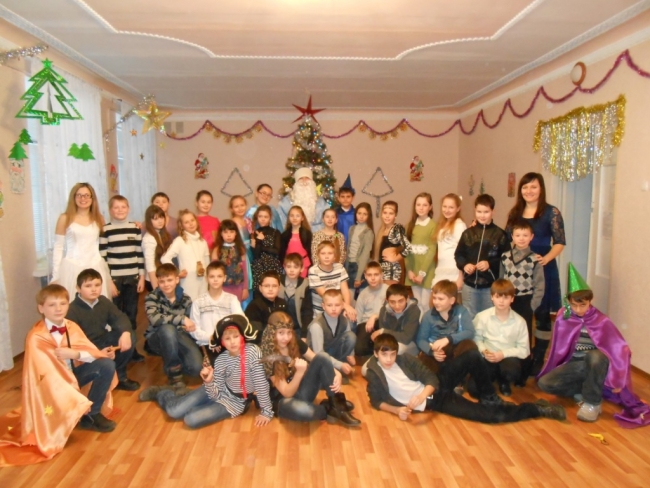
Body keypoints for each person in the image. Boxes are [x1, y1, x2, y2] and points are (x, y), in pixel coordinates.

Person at [0, 285, 119, 466]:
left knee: (106, 365)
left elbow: (86, 350)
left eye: (62, 304)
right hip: (52, 386)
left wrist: (77, 354)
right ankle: (73, 411)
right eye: (52, 305)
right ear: (41, 308)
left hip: (74, 375)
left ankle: (92, 415)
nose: (58, 309)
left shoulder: (71, 326)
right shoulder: (36, 337)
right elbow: (43, 375)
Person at [537, 264, 650, 426]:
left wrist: (618, 377)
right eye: (574, 305)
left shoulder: (601, 321)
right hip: (575, 365)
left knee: (594, 356)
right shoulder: (564, 317)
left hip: (596, 364)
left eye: (582, 305)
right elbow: (558, 347)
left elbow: (620, 349)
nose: (578, 309)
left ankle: (592, 403)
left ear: (591, 301)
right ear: (568, 301)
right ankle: (587, 387)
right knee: (545, 383)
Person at [366, 333, 565, 424]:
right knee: (491, 417)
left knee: (472, 355)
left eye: (392, 354)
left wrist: (421, 396)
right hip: (437, 402)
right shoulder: (374, 373)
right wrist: (397, 410)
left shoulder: (405, 359)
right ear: (376, 354)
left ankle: (489, 395)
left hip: (435, 386)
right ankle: (537, 408)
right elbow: (376, 401)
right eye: (384, 355)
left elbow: (430, 379)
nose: (389, 359)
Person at [148, 315, 273, 429]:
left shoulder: (253, 352)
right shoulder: (221, 360)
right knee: (174, 411)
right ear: (222, 341)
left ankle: (185, 395)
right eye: (227, 338)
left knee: (190, 419)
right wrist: (209, 382)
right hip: (216, 391)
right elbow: (215, 395)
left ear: (243, 336)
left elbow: (261, 383)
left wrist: (266, 412)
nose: (232, 342)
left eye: (236, 336)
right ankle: (162, 393)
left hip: (235, 402)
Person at [506, 173, 566, 374]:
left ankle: (538, 357)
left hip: (542, 266)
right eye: (525, 187)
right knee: (519, 311)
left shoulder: (551, 212)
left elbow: (559, 242)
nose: (529, 191)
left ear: (541, 189)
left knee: (541, 313)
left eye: (533, 187)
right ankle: (519, 354)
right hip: (518, 269)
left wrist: (546, 259)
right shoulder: (515, 213)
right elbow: (507, 239)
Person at [260, 311, 360, 425]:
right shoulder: (269, 357)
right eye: (281, 333)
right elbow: (287, 393)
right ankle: (329, 408)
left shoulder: (294, 342)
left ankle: (337, 405)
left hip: (302, 390)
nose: (286, 337)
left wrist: (337, 373)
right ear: (271, 333)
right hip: (283, 400)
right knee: (305, 411)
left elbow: (317, 358)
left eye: (289, 332)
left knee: (322, 356)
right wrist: (299, 372)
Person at [66, 269, 140, 391]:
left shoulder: (103, 301)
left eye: (97, 285)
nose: (93, 289)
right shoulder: (71, 310)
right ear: (78, 288)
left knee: (129, 336)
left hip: (102, 340)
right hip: (85, 349)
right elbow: (74, 343)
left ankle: (119, 376)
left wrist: (125, 332)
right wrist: (98, 353)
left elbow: (120, 317)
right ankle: (104, 375)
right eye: (88, 286)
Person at [99, 195, 145, 361]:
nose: (120, 210)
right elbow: (103, 258)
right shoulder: (105, 230)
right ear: (110, 210)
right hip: (115, 280)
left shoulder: (135, 228)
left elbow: (139, 254)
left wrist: (141, 277)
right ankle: (118, 349)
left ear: (128, 209)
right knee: (116, 315)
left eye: (123, 207)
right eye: (116, 207)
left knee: (131, 314)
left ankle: (131, 349)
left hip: (132, 278)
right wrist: (109, 282)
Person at [143, 264, 202, 390]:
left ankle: (175, 357)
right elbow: (155, 319)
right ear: (158, 282)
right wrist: (181, 319)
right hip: (158, 337)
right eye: (162, 281)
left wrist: (190, 326)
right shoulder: (152, 297)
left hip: (180, 335)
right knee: (168, 329)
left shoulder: (186, 299)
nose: (166, 284)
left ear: (177, 279)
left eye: (169, 280)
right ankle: (174, 375)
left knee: (196, 369)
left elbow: (191, 322)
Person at [51, 182, 112, 299]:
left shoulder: (99, 218)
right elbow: (58, 247)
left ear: (92, 198)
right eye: (79, 195)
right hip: (72, 267)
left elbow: (106, 242)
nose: (83, 198)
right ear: (73, 197)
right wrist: (56, 276)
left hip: (96, 266)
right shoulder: (65, 218)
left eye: (86, 195)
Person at [454, 194, 509, 319]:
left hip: (490, 286)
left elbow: (505, 259)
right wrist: (464, 265)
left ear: (493, 212)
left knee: (489, 318)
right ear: (475, 210)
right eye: (479, 212)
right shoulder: (468, 233)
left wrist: (490, 264)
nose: (482, 215)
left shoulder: (500, 235)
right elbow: (459, 254)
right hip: (469, 285)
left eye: (486, 212)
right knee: (470, 318)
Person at [472, 280, 529, 397]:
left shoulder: (520, 322)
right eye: (498, 297)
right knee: (473, 389)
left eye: (506, 297)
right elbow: (476, 338)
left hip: (507, 358)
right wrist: (484, 350)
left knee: (511, 371)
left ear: (512, 299)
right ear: (492, 297)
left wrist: (503, 354)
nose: (501, 301)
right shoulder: (482, 317)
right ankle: (492, 377)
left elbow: (524, 350)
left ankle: (504, 381)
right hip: (488, 356)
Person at [500, 219, 544, 349]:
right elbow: (500, 280)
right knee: (507, 329)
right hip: (507, 299)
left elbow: (539, 284)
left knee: (524, 332)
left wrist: (533, 305)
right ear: (512, 237)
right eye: (518, 235)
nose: (521, 238)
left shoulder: (535, 259)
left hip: (525, 300)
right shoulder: (505, 257)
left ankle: (525, 359)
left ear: (531, 237)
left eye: (525, 235)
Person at [357, 284, 420, 373]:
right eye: (392, 302)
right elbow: (384, 339)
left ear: (407, 299)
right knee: (365, 370)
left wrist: (383, 331)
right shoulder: (384, 310)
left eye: (400, 301)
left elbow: (406, 338)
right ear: (387, 300)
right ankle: (382, 370)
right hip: (389, 345)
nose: (397, 306)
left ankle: (388, 371)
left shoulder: (414, 310)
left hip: (409, 345)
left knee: (398, 349)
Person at [416, 280, 476, 373]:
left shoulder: (461, 311)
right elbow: (421, 339)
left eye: (440, 299)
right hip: (437, 351)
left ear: (452, 300)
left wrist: (448, 339)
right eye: (434, 298)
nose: (436, 302)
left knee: (469, 345)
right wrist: (432, 352)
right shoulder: (428, 316)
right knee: (424, 361)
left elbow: (470, 332)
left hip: (456, 350)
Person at [189, 261, 244, 360]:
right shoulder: (198, 302)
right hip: (206, 343)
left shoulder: (232, 299)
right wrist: (211, 338)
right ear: (206, 278)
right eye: (212, 276)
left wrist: (223, 339)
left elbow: (240, 322)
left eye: (219, 276)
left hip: (228, 344)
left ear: (224, 278)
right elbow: (194, 329)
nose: (215, 279)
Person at [161, 209, 210, 301]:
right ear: (182, 225)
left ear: (196, 221)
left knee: (202, 304)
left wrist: (208, 277)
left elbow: (207, 262)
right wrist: (176, 272)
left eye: (192, 220)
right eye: (186, 222)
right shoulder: (180, 241)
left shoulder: (202, 241)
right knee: (190, 305)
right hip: (188, 281)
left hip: (203, 281)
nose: (191, 224)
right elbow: (165, 258)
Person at [307, 289, 356, 379]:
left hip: (332, 352)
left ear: (342, 306)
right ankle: (336, 368)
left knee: (351, 336)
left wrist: (351, 355)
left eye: (337, 305)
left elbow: (349, 338)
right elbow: (319, 353)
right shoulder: (316, 325)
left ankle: (340, 368)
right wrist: (340, 365)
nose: (333, 309)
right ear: (323, 306)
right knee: (322, 358)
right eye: (329, 305)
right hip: (318, 357)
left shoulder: (344, 320)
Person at [405, 193, 437, 317]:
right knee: (417, 303)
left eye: (425, 205)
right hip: (413, 270)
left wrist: (422, 273)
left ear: (430, 207)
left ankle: (427, 326)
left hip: (426, 271)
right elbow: (406, 250)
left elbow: (431, 251)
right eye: (418, 204)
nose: (421, 208)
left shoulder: (433, 225)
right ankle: (418, 326)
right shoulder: (410, 225)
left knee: (425, 304)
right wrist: (409, 270)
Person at [308, 241, 356, 320]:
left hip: (339, 309)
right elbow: (324, 294)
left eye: (330, 253)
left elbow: (345, 291)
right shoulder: (313, 271)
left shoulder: (340, 268)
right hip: (321, 312)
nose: (326, 256)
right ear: (318, 256)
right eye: (323, 253)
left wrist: (346, 308)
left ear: (334, 256)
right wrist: (345, 305)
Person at [432, 193, 466, 289]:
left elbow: (463, 252)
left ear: (458, 209)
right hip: (441, 269)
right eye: (444, 206)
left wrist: (460, 277)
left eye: (451, 207)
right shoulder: (443, 224)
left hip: (454, 271)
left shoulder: (459, 225)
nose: (447, 210)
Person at [373, 201, 412, 286]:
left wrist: (395, 258)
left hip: (391, 269)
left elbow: (408, 247)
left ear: (395, 215)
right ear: (381, 214)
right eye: (385, 213)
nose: (387, 216)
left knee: (389, 293)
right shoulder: (382, 230)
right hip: (382, 267)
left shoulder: (396, 229)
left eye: (391, 213)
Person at [353, 262, 388, 357]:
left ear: (381, 275)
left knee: (385, 345)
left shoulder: (388, 290)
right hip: (366, 324)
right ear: (365, 276)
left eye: (376, 274)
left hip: (383, 322)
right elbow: (359, 317)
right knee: (359, 349)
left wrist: (374, 316)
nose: (373, 278)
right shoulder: (363, 294)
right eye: (369, 275)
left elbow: (391, 311)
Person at [278, 167, 328, 231]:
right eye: (301, 178)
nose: (304, 181)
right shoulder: (286, 201)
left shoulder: (321, 202)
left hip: (316, 235)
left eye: (307, 178)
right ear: (296, 183)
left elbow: (326, 221)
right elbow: (281, 222)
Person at [211, 219, 250, 302]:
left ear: (236, 233)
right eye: (225, 232)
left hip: (238, 286)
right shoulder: (217, 250)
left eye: (231, 232)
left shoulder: (240, 249)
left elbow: (244, 270)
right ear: (221, 234)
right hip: (222, 287)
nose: (229, 235)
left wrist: (245, 288)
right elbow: (213, 272)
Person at [244, 271, 287, 344]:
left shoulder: (282, 303)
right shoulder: (254, 306)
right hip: (261, 342)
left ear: (279, 288)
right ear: (260, 288)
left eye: (274, 286)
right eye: (266, 286)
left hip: (281, 339)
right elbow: (256, 333)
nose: (270, 289)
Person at [279, 252, 313, 339]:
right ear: (284, 267)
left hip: (298, 328)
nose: (291, 270)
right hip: (279, 327)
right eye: (289, 267)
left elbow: (307, 312)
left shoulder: (306, 285)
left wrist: (304, 335)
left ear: (302, 269)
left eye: (295, 267)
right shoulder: (277, 282)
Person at [250, 205, 283, 289]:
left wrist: (261, 245)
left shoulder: (275, 232)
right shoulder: (254, 233)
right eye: (260, 216)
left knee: (272, 291)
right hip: (258, 268)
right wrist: (258, 241)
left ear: (270, 218)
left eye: (266, 217)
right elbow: (256, 255)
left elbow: (277, 251)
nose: (263, 219)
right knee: (259, 292)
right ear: (257, 217)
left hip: (272, 267)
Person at [345, 202, 374, 296]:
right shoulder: (352, 228)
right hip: (350, 265)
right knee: (349, 294)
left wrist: (358, 276)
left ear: (369, 216)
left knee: (360, 295)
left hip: (359, 266)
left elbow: (365, 255)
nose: (361, 216)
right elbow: (348, 248)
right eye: (359, 213)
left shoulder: (368, 232)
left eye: (365, 214)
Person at [142, 204, 172, 292]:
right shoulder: (149, 239)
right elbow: (150, 265)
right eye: (155, 219)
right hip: (153, 279)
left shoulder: (162, 234)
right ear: (149, 221)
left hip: (162, 277)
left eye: (161, 217)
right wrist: (156, 288)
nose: (160, 221)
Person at [279, 205, 312, 278]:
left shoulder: (307, 233)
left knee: (302, 283)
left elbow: (310, 251)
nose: (294, 218)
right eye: (292, 216)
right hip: (290, 265)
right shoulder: (285, 235)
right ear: (289, 218)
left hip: (304, 264)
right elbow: (282, 252)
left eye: (297, 216)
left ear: (302, 218)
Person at [335, 176, 356, 242]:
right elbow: (333, 230)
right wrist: (336, 239)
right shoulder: (335, 213)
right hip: (337, 243)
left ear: (353, 198)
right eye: (342, 196)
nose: (345, 199)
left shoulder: (356, 214)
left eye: (348, 196)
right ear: (338, 198)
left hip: (353, 244)